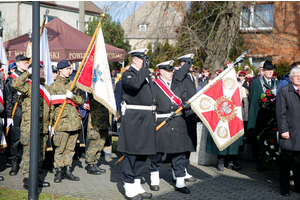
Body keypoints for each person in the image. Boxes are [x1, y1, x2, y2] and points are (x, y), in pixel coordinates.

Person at [149, 60, 194, 194]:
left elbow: (184, 98)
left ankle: (180, 182)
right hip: (161, 121)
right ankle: (154, 179)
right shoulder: (154, 86)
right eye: (168, 70)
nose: (171, 72)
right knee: (157, 153)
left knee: (179, 153)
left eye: (172, 70)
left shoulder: (178, 84)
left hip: (178, 121)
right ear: (161, 71)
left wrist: (186, 104)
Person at [117, 49, 155, 200]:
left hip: (146, 116)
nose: (146, 62)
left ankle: (137, 182)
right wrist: (144, 70)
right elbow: (134, 85)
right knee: (131, 152)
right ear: (135, 60)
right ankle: (128, 184)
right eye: (143, 59)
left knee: (142, 152)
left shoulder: (144, 74)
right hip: (134, 117)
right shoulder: (128, 74)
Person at [11, 61, 51, 190]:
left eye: (42, 69)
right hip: (30, 127)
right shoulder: (28, 86)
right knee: (29, 153)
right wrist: (28, 73)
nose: (41, 71)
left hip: (43, 127)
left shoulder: (44, 87)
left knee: (40, 154)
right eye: (38, 69)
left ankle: (36, 177)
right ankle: (28, 178)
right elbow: (15, 84)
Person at [49, 59, 84, 183]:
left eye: (70, 69)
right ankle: (58, 171)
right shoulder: (53, 87)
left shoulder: (74, 84)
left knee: (70, 149)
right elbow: (50, 108)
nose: (70, 71)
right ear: (60, 70)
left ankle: (67, 170)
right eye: (67, 69)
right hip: (61, 123)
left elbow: (81, 101)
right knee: (59, 148)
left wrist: (72, 96)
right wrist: (50, 124)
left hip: (74, 122)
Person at [247, 60, 278, 171]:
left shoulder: (275, 83)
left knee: (271, 138)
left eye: (271, 70)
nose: (270, 72)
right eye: (268, 70)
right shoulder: (257, 83)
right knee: (260, 138)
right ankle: (260, 162)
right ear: (263, 71)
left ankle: (271, 161)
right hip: (260, 115)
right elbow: (253, 100)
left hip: (271, 115)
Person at [276, 67, 300, 197]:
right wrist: (283, 130)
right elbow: (281, 113)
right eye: (295, 76)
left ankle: (298, 186)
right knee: (286, 164)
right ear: (290, 78)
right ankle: (284, 188)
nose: (298, 78)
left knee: (298, 164)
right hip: (289, 134)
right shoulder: (284, 91)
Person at [5, 55, 30, 176]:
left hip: (27, 111)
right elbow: (8, 98)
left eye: (27, 63)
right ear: (18, 64)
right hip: (16, 110)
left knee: (26, 137)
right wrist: (9, 115)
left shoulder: (29, 77)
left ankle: (24, 161)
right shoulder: (11, 79)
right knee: (15, 138)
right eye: (24, 63)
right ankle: (14, 163)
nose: (27, 65)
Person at [173, 53, 197, 183]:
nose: (192, 65)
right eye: (189, 63)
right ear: (183, 64)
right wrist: (185, 65)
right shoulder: (178, 74)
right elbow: (179, 78)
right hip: (183, 114)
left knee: (190, 143)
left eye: (191, 63)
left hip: (191, 113)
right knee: (183, 145)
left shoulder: (190, 76)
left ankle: (183, 169)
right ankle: (178, 170)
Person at [85, 93, 108, 175]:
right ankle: (90, 164)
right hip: (95, 121)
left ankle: (95, 163)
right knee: (94, 143)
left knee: (101, 143)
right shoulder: (94, 88)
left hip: (104, 119)